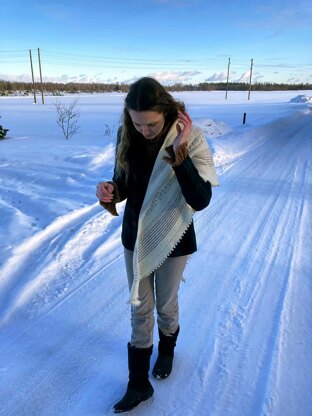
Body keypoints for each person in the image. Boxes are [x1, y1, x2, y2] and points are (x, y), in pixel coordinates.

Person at [96, 77, 219, 413]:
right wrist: (110, 191)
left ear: (165, 112)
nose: (144, 131)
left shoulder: (189, 138)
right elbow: (123, 183)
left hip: (174, 236)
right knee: (139, 306)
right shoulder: (127, 136)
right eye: (137, 124)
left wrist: (178, 151)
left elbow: (201, 198)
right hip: (135, 234)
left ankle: (166, 350)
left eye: (151, 124)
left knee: (166, 304)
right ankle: (138, 384)